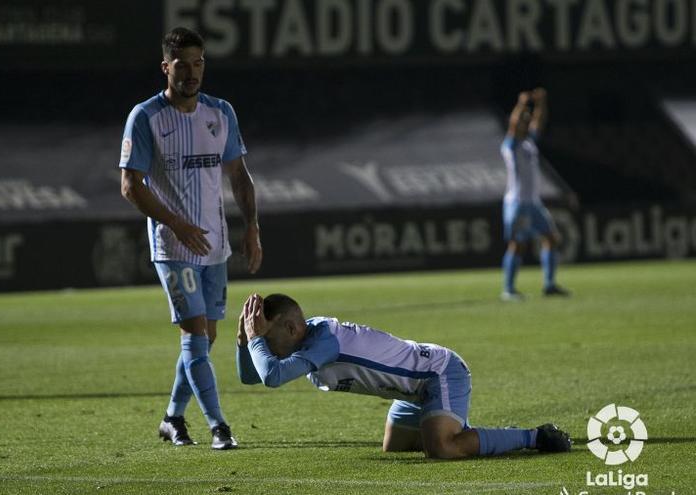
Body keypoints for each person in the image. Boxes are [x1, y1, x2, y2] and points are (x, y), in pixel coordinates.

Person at [118, 27, 262, 450]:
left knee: (205, 341)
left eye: (198, 64)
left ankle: (171, 418)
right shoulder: (146, 117)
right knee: (196, 338)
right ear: (166, 67)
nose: (192, 73)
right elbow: (131, 185)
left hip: (215, 247)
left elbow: (239, 175)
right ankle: (220, 427)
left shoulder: (220, 113)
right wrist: (176, 224)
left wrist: (252, 226)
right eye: (182, 65)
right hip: (174, 248)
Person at [236, 293, 572, 458]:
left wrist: (254, 340)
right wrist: (244, 343)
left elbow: (272, 377)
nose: (263, 343)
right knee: (394, 448)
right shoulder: (304, 341)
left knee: (442, 449)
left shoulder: (323, 341)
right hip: (410, 391)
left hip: (438, 372)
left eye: (268, 336)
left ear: (292, 327)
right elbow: (252, 377)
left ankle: (534, 437)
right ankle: (445, 423)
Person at [500, 87, 569, 301]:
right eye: (523, 118)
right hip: (518, 202)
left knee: (551, 238)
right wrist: (522, 103)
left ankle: (549, 284)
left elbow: (540, 122)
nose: (526, 121)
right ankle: (508, 290)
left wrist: (540, 103)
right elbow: (513, 124)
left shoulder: (528, 144)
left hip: (533, 202)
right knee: (517, 244)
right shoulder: (510, 145)